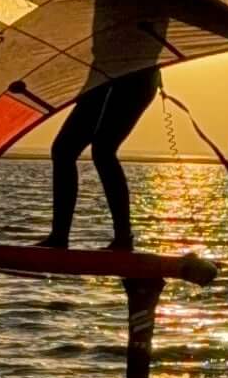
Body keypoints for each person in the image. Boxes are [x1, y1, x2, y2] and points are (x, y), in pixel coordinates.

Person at [51, 63, 161, 250]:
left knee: (103, 150)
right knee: (63, 150)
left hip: (135, 76)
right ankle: (58, 237)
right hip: (102, 76)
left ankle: (123, 238)